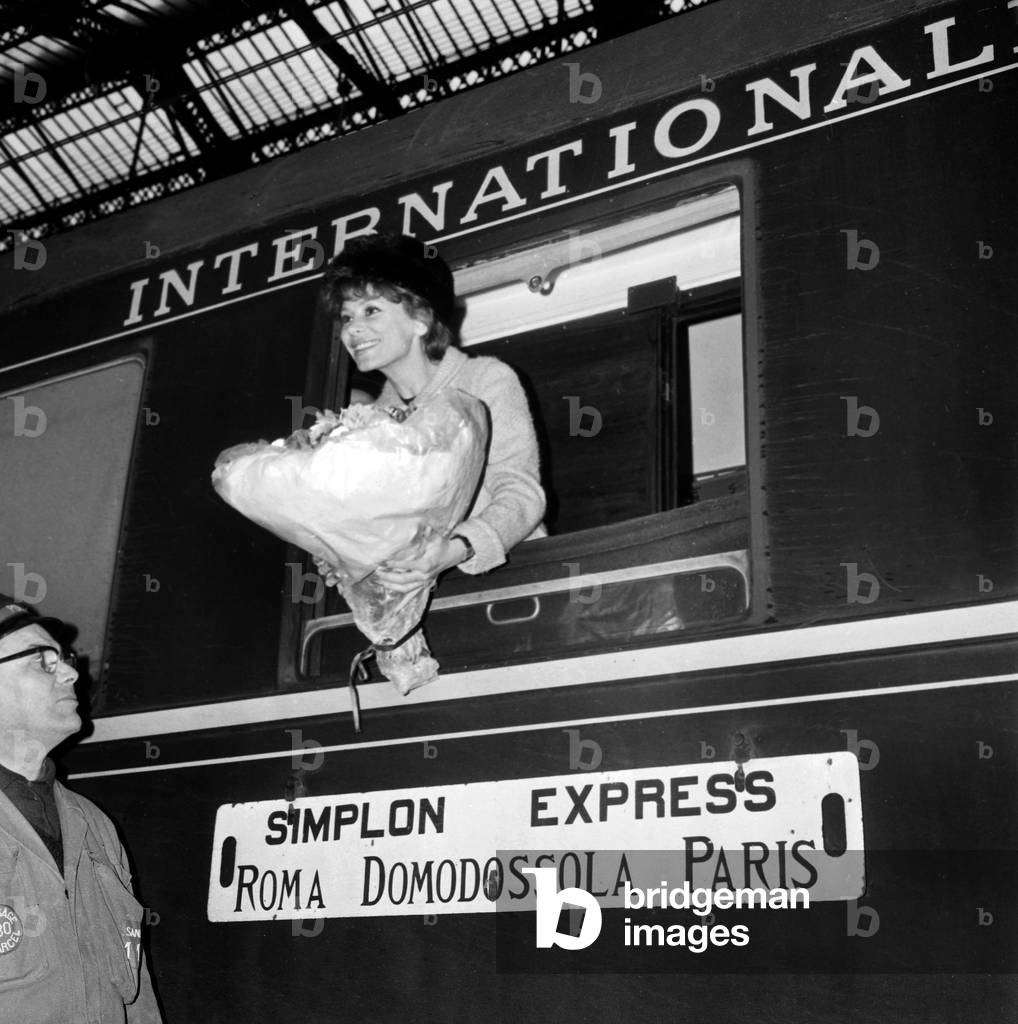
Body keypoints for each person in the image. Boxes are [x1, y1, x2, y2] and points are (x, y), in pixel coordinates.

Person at [319, 232, 546, 594]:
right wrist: (348, 557)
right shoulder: (368, 422)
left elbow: (522, 494)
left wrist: (456, 549)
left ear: (421, 319)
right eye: (347, 317)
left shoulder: (485, 380)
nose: (353, 329)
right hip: (425, 596)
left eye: (371, 311)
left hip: (514, 582)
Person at [0, 597, 163, 1023]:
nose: (72, 672)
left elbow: (138, 999)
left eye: (65, 659)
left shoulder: (94, 825)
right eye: (42, 661)